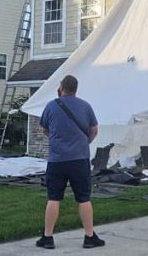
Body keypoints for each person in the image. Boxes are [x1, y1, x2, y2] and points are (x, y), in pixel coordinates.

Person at [36, 75, 106, 249]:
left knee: (53, 198)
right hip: (79, 159)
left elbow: (44, 128)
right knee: (84, 198)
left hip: (57, 159)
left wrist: (56, 140)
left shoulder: (51, 106)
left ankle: (48, 237)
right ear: (76, 88)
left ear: (61, 88)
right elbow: (94, 130)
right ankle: (89, 237)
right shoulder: (85, 106)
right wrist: (84, 143)